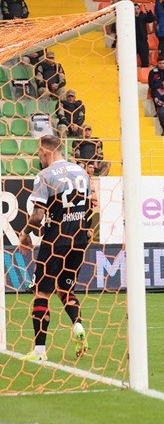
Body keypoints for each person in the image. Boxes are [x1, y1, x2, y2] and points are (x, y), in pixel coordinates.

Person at [19, 135, 91, 362]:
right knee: (66, 290)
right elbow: (90, 206)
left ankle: (40, 351)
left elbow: (38, 215)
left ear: (47, 152)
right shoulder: (82, 172)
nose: (39, 158)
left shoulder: (45, 175)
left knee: (42, 293)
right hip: (79, 239)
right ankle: (78, 324)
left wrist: (24, 234)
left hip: (55, 241)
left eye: (39, 154)